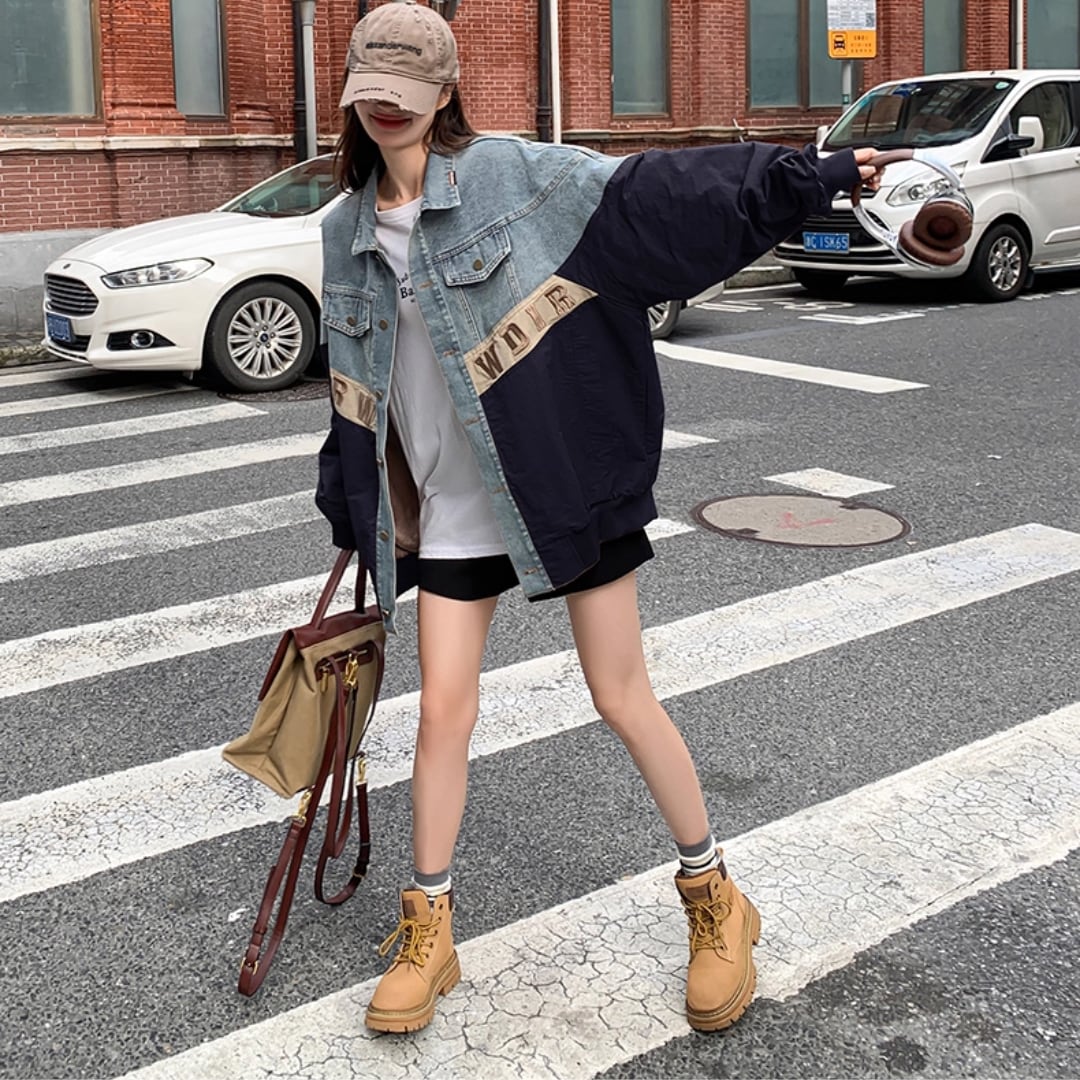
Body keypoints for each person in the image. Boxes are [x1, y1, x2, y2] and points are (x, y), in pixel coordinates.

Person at [316, 0, 883, 1036]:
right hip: (449, 507)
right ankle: (430, 927)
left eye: (407, 93)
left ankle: (715, 897)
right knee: (441, 715)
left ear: (446, 93)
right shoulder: (342, 230)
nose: (387, 111)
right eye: (372, 95)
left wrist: (808, 176)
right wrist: (348, 506)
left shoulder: (523, 180)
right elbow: (354, 392)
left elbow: (665, 195)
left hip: (559, 480)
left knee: (620, 695)